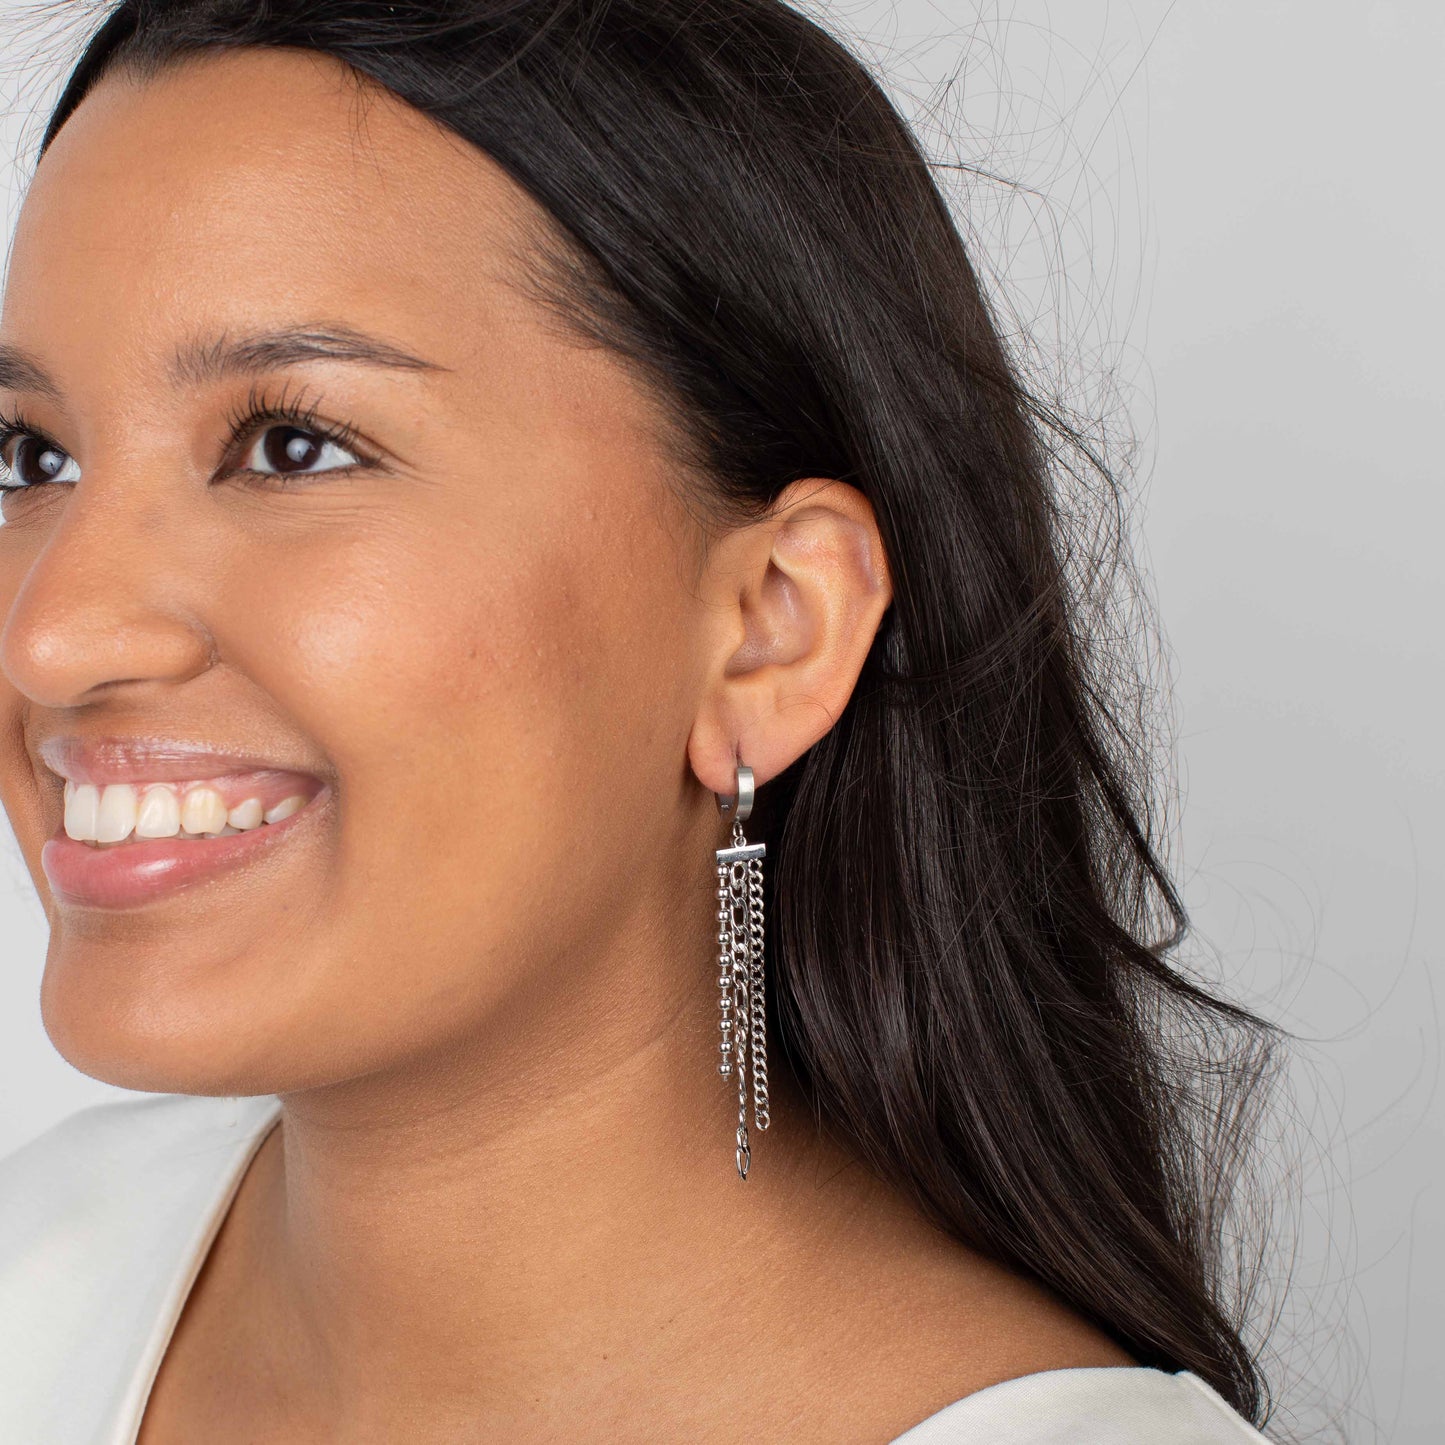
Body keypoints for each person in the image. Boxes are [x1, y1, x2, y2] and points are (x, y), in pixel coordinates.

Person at [0, 1, 1279, 1440]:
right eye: (32, 455)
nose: (54, 635)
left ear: (769, 628)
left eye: (294, 446)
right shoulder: (39, 1259)